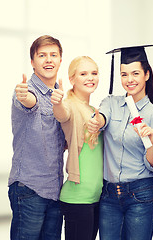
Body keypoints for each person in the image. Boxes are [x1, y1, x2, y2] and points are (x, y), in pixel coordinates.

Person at [87, 45, 153, 240]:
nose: (129, 80)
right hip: (109, 195)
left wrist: (152, 143)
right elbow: (102, 118)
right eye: (124, 74)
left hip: (141, 194)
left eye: (135, 73)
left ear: (146, 75)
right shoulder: (111, 102)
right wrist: (97, 122)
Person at [8, 35, 65, 239]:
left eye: (53, 55)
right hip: (29, 189)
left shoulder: (59, 94)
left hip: (55, 190)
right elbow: (29, 102)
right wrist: (25, 97)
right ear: (32, 62)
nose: (48, 60)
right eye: (42, 55)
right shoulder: (26, 90)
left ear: (60, 60)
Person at [51, 56, 103, 240]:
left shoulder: (94, 109)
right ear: (72, 79)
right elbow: (63, 115)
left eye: (94, 73)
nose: (90, 77)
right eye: (83, 74)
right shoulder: (70, 105)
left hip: (96, 197)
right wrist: (57, 103)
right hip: (77, 198)